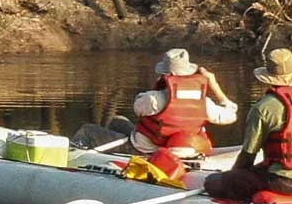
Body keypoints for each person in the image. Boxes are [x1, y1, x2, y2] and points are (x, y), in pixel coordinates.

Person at [204, 48, 292, 202]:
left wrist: (232, 178)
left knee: (212, 182)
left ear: (268, 78)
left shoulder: (263, 107)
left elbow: (248, 155)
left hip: (283, 182)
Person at [72, 48, 238, 157]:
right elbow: (231, 115)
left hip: (142, 149)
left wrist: (158, 87)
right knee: (118, 121)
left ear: (165, 75)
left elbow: (138, 108)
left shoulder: (154, 99)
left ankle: (73, 160)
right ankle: (103, 156)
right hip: (172, 146)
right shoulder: (204, 103)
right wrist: (214, 86)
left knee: (87, 131)